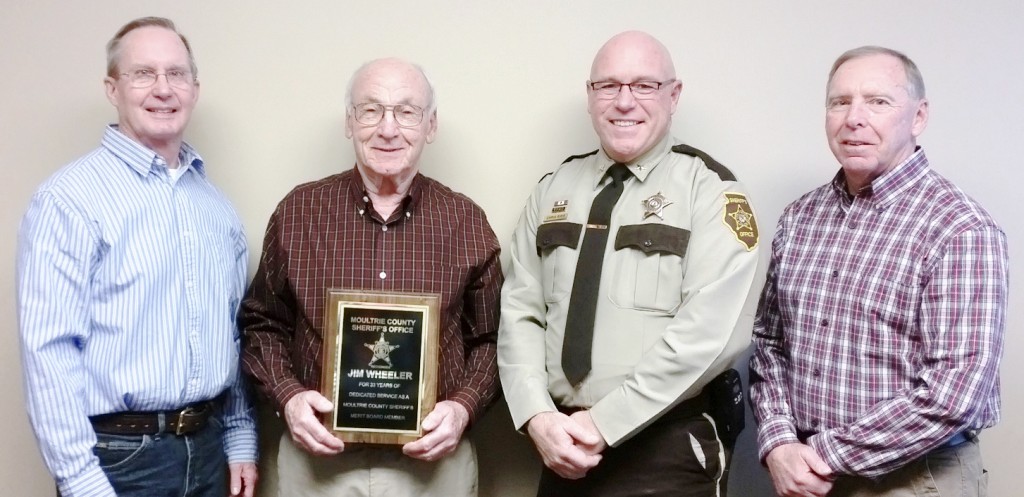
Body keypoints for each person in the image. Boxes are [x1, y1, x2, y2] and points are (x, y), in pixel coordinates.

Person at [498, 31, 761, 496]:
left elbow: (710, 336)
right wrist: (536, 416)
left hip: (667, 450)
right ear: (590, 95)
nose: (624, 102)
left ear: (673, 95)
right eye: (609, 86)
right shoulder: (553, 188)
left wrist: (605, 422)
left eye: (644, 86)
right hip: (562, 448)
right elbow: (520, 312)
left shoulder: (711, 191)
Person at [15, 16, 258, 497]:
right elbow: (48, 351)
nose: (163, 89)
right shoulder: (69, 199)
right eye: (142, 73)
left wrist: (239, 436)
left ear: (194, 87)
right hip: (118, 461)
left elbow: (233, 332)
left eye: (177, 74)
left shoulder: (217, 208)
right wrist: (79, 478)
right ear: (113, 87)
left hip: (209, 452)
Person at [749, 46, 1007, 497]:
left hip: (916, 479)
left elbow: (953, 395)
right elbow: (770, 344)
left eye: (878, 101)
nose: (854, 117)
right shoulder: (799, 218)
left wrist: (826, 454)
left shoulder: (960, 228)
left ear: (919, 116)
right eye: (839, 102)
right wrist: (779, 442)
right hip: (802, 475)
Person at [240, 57, 503, 497]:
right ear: (349, 121)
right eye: (371, 110)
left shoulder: (465, 221)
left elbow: (493, 339)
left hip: (432, 466)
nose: (387, 128)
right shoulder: (299, 213)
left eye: (406, 111)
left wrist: (462, 408)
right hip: (318, 462)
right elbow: (262, 322)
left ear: (430, 125)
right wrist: (289, 397)